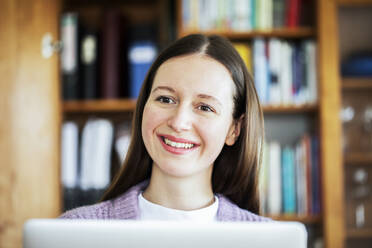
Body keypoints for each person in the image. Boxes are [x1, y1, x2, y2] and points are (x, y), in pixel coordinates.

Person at [60, 34, 269, 222]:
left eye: (205, 107)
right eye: (166, 99)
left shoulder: (267, 241)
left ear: (234, 129)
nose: (179, 122)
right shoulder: (72, 230)